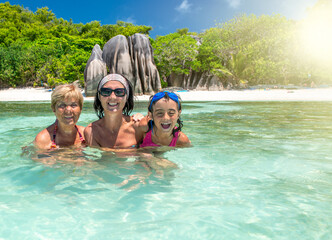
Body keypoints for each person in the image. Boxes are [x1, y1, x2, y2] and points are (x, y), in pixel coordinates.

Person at [84, 73, 145, 148]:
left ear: (127, 96)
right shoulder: (92, 132)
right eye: (106, 92)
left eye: (119, 92)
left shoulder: (139, 127)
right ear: (99, 96)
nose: (112, 97)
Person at [34, 84, 85, 149]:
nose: (68, 110)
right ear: (53, 109)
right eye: (62, 105)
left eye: (73, 105)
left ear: (80, 108)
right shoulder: (43, 140)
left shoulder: (86, 135)